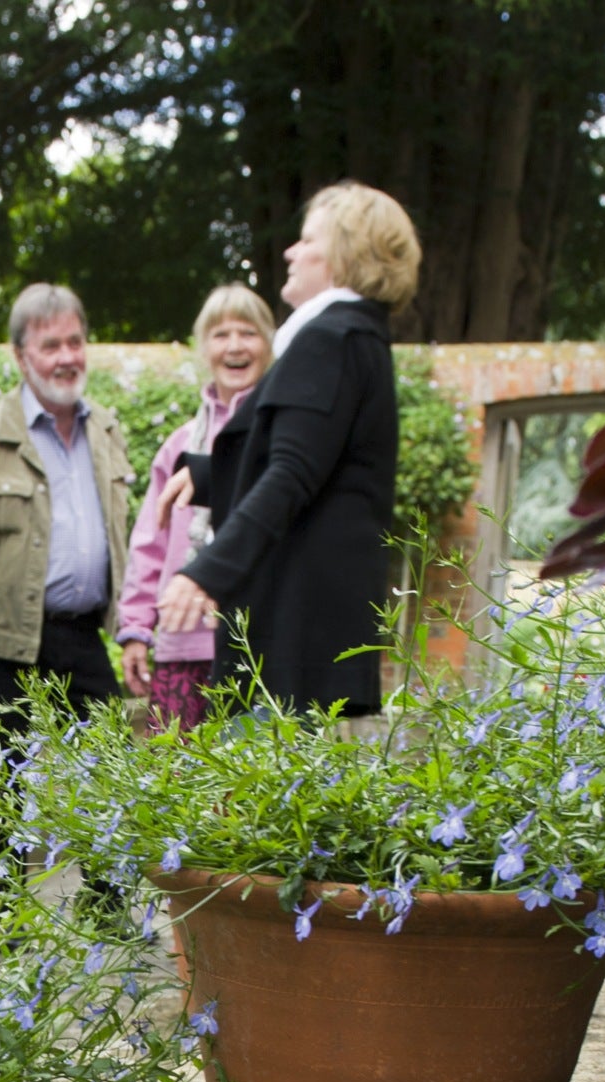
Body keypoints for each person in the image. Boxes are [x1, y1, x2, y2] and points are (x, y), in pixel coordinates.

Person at [155, 182, 418, 716]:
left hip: (292, 632)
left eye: (306, 241)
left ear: (345, 254)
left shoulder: (331, 339)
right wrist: (207, 476)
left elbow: (293, 473)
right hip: (306, 629)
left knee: (255, 791)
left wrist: (204, 572)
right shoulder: (353, 337)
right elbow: (322, 464)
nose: (290, 253)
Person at [0, 284, 138, 727]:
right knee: (4, 786)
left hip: (84, 636)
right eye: (50, 346)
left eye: (75, 343)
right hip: (6, 645)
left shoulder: (105, 430)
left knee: (115, 780)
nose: (67, 357)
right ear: (21, 357)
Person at [118, 284, 275, 728]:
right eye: (221, 334)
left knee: (254, 789)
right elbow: (150, 542)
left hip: (258, 647)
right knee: (176, 785)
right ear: (204, 348)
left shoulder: (280, 440)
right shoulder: (179, 447)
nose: (235, 346)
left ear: (268, 345)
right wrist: (136, 628)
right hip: (182, 646)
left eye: (248, 332)